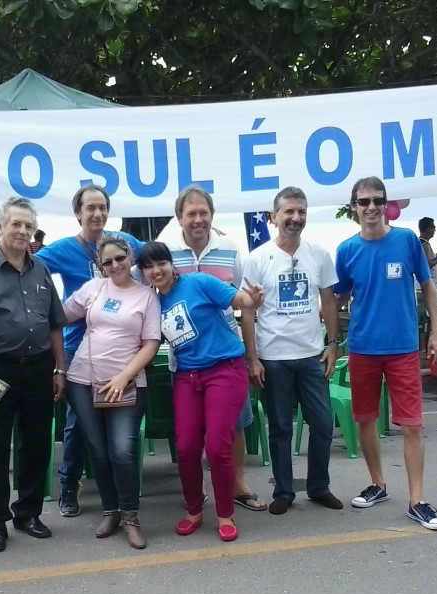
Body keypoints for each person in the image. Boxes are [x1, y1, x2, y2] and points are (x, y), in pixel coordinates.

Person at [0, 185, 144, 518]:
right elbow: (22, 260)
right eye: (90, 207)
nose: (97, 213)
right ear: (78, 213)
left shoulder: (125, 242)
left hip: (117, 351)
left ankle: (111, 500)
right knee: (76, 424)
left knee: (48, 436)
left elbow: (155, 256)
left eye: (102, 207)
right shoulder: (63, 249)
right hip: (75, 348)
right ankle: (68, 484)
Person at [334, 176, 437, 531]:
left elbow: (428, 286)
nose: (371, 207)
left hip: (402, 348)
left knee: (411, 425)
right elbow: (338, 297)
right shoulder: (346, 250)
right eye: (364, 201)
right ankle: (378, 484)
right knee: (365, 419)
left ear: (385, 204)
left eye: (377, 200)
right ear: (354, 207)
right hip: (363, 347)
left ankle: (417, 501)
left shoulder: (406, 240)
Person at [137, 241, 265, 542]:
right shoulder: (152, 303)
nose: (157, 271)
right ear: (143, 273)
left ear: (172, 265)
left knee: (218, 447)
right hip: (187, 376)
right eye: (148, 267)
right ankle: (194, 510)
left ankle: (224, 514)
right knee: (185, 447)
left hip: (224, 370)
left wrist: (253, 300)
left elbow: (241, 300)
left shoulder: (199, 282)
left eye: (161, 263)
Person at [0, 196, 67, 554]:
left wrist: (59, 368)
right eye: (16, 224)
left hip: (38, 368)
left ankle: (28, 513)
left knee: (36, 444)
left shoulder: (41, 269)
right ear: (0, 227)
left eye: (28, 226)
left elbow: (54, 323)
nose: (23, 231)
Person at [162, 185, 267, 512]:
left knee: (234, 425)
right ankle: (198, 493)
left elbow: (245, 304)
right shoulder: (167, 251)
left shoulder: (230, 248)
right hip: (186, 360)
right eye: (191, 213)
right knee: (191, 435)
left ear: (212, 215)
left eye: (203, 213)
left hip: (226, 355)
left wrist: (252, 357)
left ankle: (238, 484)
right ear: (179, 217)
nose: (198, 220)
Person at [242, 186, 343, 516]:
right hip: (274, 358)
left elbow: (328, 300)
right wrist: (253, 358)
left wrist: (332, 344)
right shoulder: (257, 259)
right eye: (288, 211)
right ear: (274, 217)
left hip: (312, 355)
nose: (295, 217)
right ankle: (284, 491)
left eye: (301, 211)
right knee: (281, 428)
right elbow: (247, 312)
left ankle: (318, 487)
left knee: (323, 424)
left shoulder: (319, 254)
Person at [61, 235, 161, 549]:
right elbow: (59, 316)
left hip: (126, 386)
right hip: (82, 381)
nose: (115, 265)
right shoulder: (93, 288)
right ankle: (111, 511)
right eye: (107, 262)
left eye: (120, 258)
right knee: (99, 451)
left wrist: (123, 377)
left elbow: (151, 344)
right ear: (100, 266)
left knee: (122, 450)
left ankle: (130, 517)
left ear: (130, 258)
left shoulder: (147, 296)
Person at [418, 217, 437, 283]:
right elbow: (426, 265)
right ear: (428, 228)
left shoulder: (418, 242)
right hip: (427, 282)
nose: (435, 230)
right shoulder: (424, 244)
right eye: (433, 227)